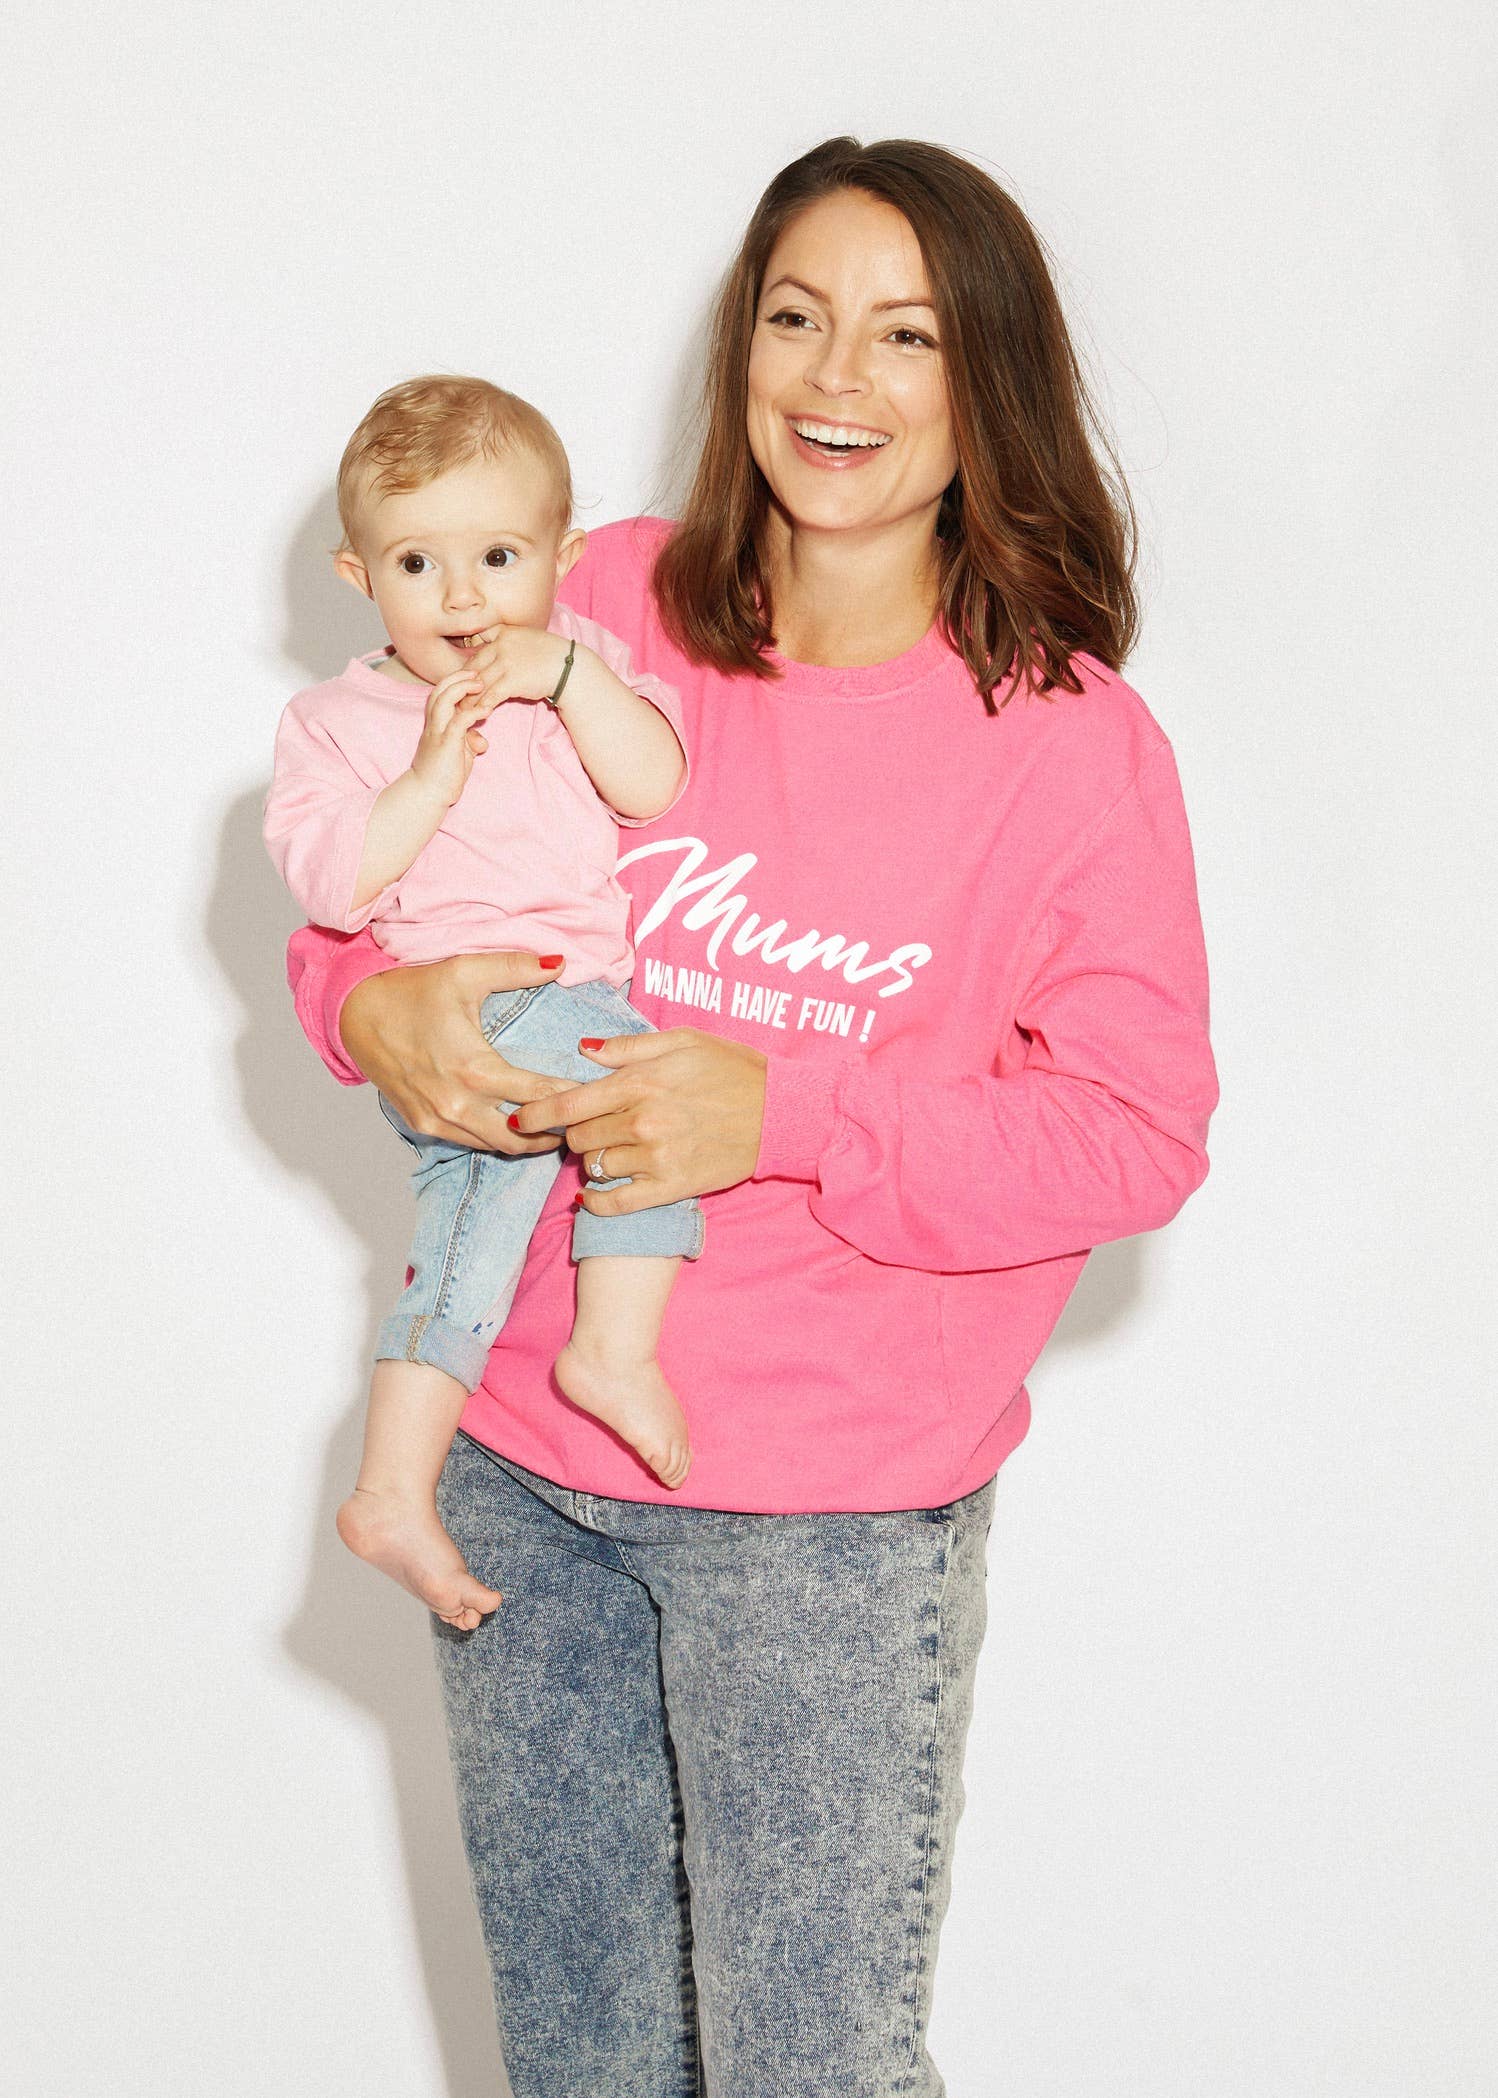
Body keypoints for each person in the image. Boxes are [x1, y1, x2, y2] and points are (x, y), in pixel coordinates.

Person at [284, 137, 1218, 2096]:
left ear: (985, 379)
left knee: (808, 2072)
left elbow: (1131, 1135)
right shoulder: (590, 591)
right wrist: (370, 1010)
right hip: (516, 1471)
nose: (834, 377)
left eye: (905, 335)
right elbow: (356, 868)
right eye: (795, 317)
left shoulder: (1065, 745)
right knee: (585, 2069)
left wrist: (778, 1109)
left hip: (826, 1525)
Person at [265, 376, 703, 1633]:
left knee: (472, 1241)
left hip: (567, 992)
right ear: (358, 576)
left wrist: (569, 676)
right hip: (481, 1003)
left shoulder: (581, 669)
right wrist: (424, 775)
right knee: (650, 1104)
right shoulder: (338, 720)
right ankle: (609, 1351)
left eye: (500, 559)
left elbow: (653, 784)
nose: (463, 599)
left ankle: (391, 1490)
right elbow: (333, 886)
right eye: (418, 564)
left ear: (564, 558)